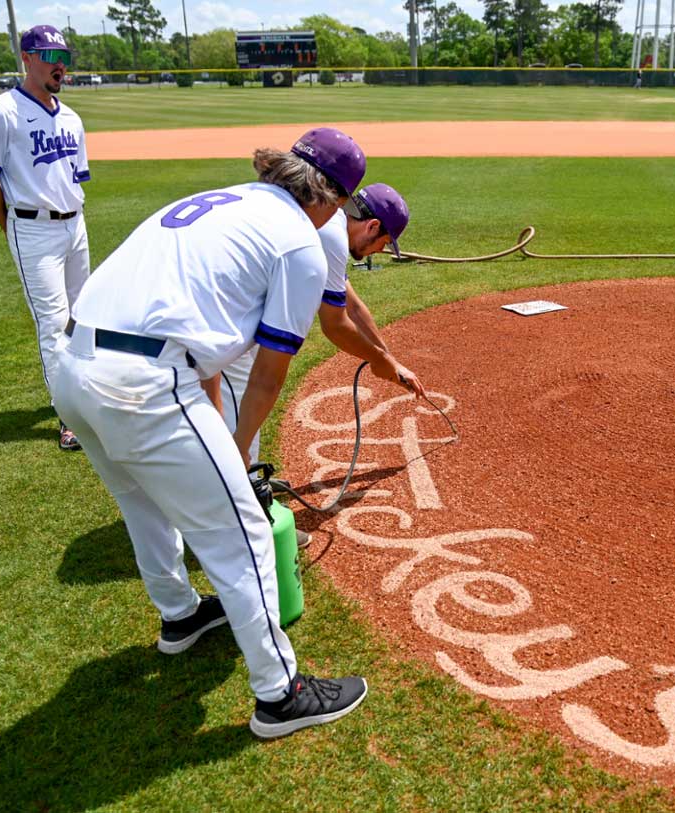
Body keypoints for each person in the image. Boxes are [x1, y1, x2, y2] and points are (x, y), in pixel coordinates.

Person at [51, 127, 415, 740]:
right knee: (242, 525)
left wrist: (226, 442)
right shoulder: (299, 241)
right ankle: (281, 695)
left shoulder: (223, 199)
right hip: (144, 382)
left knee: (142, 504)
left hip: (74, 370)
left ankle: (180, 617)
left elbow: (213, 356)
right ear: (334, 198)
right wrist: (240, 455)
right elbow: (268, 375)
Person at [220, 181, 422, 469]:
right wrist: (380, 360)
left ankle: (234, 477)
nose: (379, 250)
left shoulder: (334, 222)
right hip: (229, 314)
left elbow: (353, 306)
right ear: (373, 226)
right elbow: (335, 325)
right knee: (245, 393)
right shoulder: (333, 236)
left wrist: (391, 361)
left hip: (237, 304)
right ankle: (237, 487)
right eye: (384, 242)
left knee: (237, 400)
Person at [0, 24, 90, 451]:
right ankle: (69, 417)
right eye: (50, 56)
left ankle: (86, 396)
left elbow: (75, 178)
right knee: (54, 324)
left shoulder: (72, 117)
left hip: (75, 225)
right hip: (32, 227)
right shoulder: (1, 111)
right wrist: (9, 225)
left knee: (84, 316)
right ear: (27, 58)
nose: (60, 65)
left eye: (65, 58)